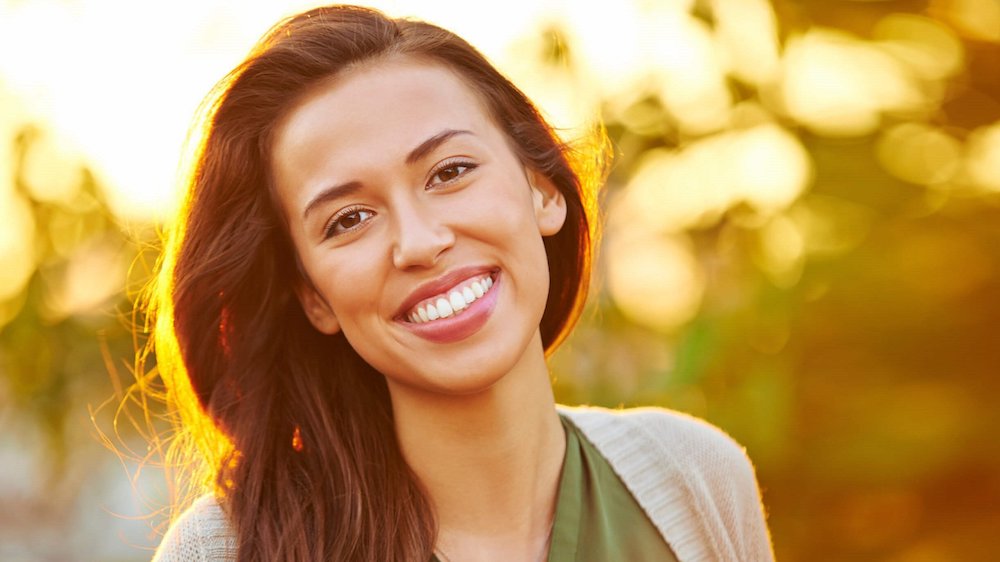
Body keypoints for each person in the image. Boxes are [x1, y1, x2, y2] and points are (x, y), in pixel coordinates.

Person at [148, 4, 773, 561]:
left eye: (450, 172)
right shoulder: (224, 552)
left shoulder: (694, 478)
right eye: (349, 219)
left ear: (543, 189)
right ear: (312, 296)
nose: (420, 242)